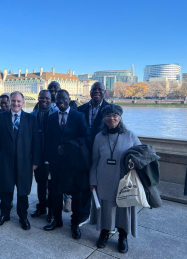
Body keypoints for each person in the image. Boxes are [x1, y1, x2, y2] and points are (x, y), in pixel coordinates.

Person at [90, 104, 141, 253]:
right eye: (108, 116)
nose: (111, 118)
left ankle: (123, 237)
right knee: (106, 209)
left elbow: (141, 156)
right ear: (104, 118)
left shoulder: (130, 135)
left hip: (124, 180)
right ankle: (104, 234)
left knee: (123, 209)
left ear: (120, 117)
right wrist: (92, 181)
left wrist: (134, 162)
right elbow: (94, 160)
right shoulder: (99, 137)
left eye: (115, 115)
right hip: (104, 179)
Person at [43, 89, 91, 240]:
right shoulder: (50, 118)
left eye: (63, 98)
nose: (60, 101)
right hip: (56, 162)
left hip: (73, 163)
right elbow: (48, 139)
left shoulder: (78, 116)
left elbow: (86, 138)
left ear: (69, 99)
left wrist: (69, 147)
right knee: (55, 193)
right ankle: (57, 221)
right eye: (57, 99)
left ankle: (75, 224)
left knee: (75, 194)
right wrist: (47, 158)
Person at [0, 91, 40, 230]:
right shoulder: (0, 117)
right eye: (13, 101)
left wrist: (36, 161)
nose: (16, 103)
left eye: (18, 101)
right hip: (5, 161)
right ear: (10, 101)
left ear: (23, 102)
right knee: (6, 190)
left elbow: (36, 141)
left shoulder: (31, 119)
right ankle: (4, 214)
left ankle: (23, 217)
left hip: (25, 162)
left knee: (23, 191)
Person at [77, 82, 109, 224]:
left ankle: (101, 215)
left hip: (101, 154)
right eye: (94, 90)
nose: (96, 92)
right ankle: (84, 212)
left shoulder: (110, 110)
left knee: (101, 185)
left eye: (99, 89)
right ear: (90, 92)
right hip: (83, 153)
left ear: (104, 92)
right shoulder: (80, 109)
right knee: (84, 185)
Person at [30, 90, 57, 222]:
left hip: (51, 155)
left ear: (51, 99)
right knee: (40, 183)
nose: (44, 100)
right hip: (37, 155)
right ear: (38, 99)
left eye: (47, 98)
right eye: (42, 98)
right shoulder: (32, 115)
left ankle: (51, 210)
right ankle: (41, 207)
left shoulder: (56, 114)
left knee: (51, 185)